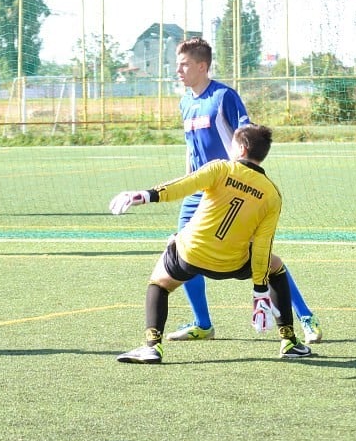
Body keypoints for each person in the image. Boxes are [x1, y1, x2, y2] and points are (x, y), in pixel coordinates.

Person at [110, 124, 312, 364]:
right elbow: (262, 246)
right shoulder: (272, 194)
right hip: (233, 262)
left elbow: (183, 185)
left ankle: (152, 346)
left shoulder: (220, 168)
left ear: (241, 147)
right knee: (276, 265)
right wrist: (260, 290)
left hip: (191, 254)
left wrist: (146, 195)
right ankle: (288, 340)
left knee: (159, 283)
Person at [169, 37, 323, 345]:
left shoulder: (224, 96)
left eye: (184, 64)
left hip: (230, 192)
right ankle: (202, 324)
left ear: (202, 66)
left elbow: (246, 139)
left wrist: (241, 181)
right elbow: (191, 148)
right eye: (177, 65)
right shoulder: (185, 101)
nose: (178, 70)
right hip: (198, 193)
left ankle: (305, 317)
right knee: (183, 252)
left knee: (261, 258)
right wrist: (188, 183)